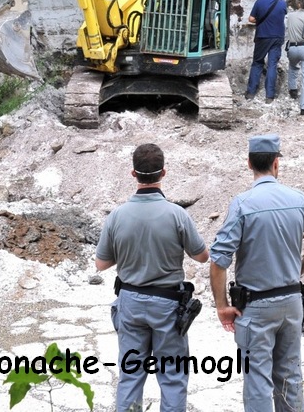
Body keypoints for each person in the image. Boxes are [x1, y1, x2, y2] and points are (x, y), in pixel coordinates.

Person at [210, 135, 304, 412]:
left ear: (248, 164)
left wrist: (222, 306)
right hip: (291, 304)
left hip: (254, 308)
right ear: (277, 163)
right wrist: (299, 269)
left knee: (256, 381)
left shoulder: (242, 204)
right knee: (290, 378)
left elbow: (219, 260)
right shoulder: (298, 200)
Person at [95, 144, 209, 412]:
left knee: (131, 374)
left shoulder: (116, 216)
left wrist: (125, 253)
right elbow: (202, 257)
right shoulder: (177, 215)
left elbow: (101, 263)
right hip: (168, 305)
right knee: (172, 376)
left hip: (130, 302)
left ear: (133, 173)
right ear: (164, 173)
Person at [245, 0, 287, 102]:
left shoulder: (259, 1)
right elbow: (281, 16)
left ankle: (251, 93)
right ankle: (269, 96)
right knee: (272, 65)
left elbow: (251, 19)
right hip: (277, 37)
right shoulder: (282, 3)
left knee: (257, 63)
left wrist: (260, 21)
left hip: (262, 36)